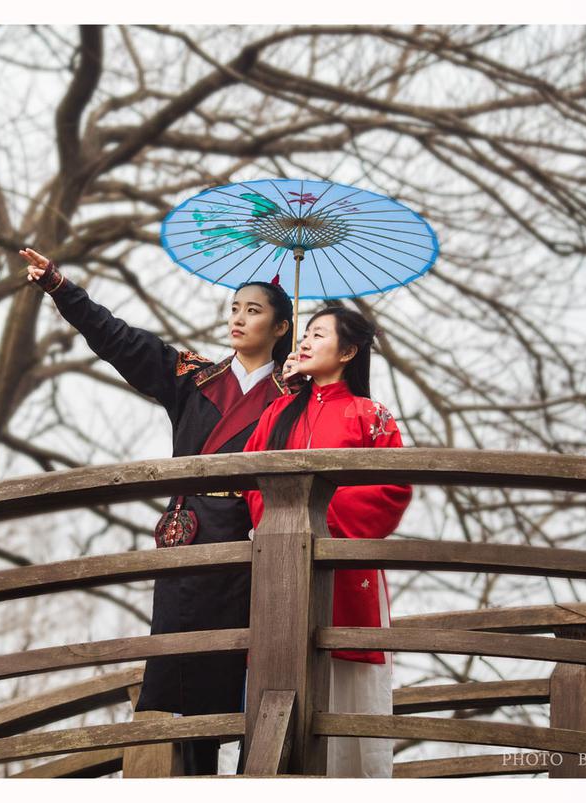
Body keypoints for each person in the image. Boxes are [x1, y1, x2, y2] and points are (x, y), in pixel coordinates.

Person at [20, 246, 300, 776]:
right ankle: (195, 776)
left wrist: (302, 385)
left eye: (254, 310)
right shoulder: (193, 377)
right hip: (189, 537)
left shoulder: (293, 395)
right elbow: (119, 339)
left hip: (257, 540)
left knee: (260, 664)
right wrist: (61, 288)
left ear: (282, 326)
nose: (238, 318)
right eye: (234, 308)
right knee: (184, 668)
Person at [242, 307, 412, 778]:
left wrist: (316, 512)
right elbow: (250, 480)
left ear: (348, 351)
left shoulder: (371, 416)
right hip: (280, 563)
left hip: (347, 567)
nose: (304, 342)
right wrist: (283, 517)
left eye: (318, 335)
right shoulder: (277, 413)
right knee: (278, 667)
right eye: (305, 334)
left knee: (349, 681)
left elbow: (392, 489)